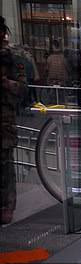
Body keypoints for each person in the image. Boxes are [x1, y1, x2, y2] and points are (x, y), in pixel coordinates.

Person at [1, 17, 25, 224]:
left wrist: (6, 83)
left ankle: (6, 208)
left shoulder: (10, 58)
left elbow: (23, 88)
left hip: (4, 122)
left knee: (5, 168)